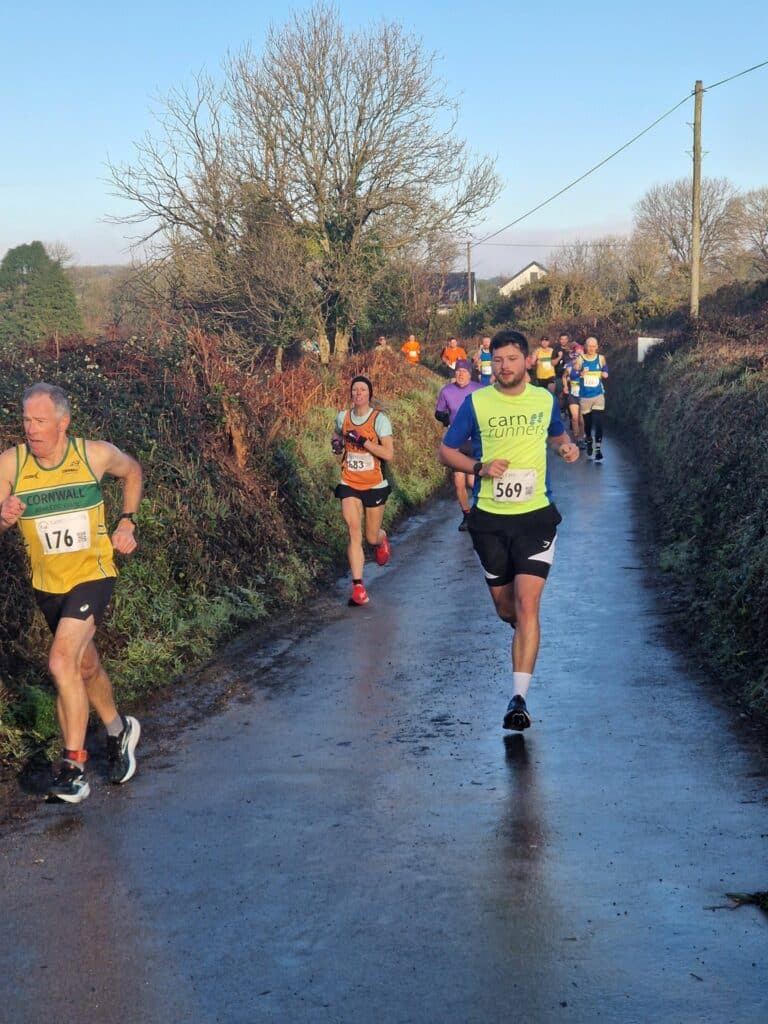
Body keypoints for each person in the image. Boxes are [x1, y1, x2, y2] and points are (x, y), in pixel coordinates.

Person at [0, 382, 143, 803]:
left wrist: (127, 521)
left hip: (93, 573)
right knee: (81, 666)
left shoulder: (92, 454)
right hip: (48, 585)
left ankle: (73, 768)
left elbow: (132, 469)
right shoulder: (11, 464)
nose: (31, 429)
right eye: (26, 420)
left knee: (61, 659)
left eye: (40, 420)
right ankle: (119, 730)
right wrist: (3, 518)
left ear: (63, 422)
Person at [438, 330, 579, 731]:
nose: (505, 366)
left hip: (536, 516)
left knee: (528, 605)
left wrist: (566, 447)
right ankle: (524, 635)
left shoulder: (544, 399)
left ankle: (518, 700)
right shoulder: (477, 403)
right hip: (490, 519)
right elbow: (446, 451)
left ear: (528, 360)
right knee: (508, 610)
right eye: (498, 360)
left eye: (513, 358)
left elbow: (557, 435)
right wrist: (478, 468)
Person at [332, 375, 394, 606]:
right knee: (353, 531)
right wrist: (336, 443)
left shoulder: (379, 420)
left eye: (363, 390)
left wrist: (363, 441)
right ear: (351, 394)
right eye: (355, 390)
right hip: (349, 482)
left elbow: (388, 454)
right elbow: (336, 433)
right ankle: (358, 587)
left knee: (370, 535)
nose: (358, 393)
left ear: (369, 394)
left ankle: (381, 539)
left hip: (374, 484)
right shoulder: (343, 417)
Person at [434, 358, 483, 531]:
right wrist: (447, 420)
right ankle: (467, 515)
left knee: (472, 481)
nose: (460, 375)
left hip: (477, 441)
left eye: (464, 372)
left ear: (470, 373)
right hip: (457, 441)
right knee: (459, 481)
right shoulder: (447, 391)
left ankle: (480, 510)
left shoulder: (480, 389)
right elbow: (438, 413)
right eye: (458, 372)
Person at [576, 335, 608, 461]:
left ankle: (598, 449)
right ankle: (588, 439)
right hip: (585, 397)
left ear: (597, 347)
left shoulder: (601, 358)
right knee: (588, 424)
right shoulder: (580, 359)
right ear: (585, 346)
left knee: (599, 423)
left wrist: (605, 373)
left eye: (594, 346)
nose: (591, 348)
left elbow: (605, 370)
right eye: (589, 346)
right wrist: (579, 372)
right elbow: (575, 369)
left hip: (598, 395)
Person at [562, 341, 585, 446]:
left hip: (584, 395)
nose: (577, 359)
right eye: (576, 357)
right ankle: (578, 439)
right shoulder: (570, 366)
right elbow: (564, 376)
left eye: (579, 357)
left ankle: (582, 435)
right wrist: (566, 386)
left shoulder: (586, 366)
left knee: (581, 419)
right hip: (573, 395)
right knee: (575, 418)